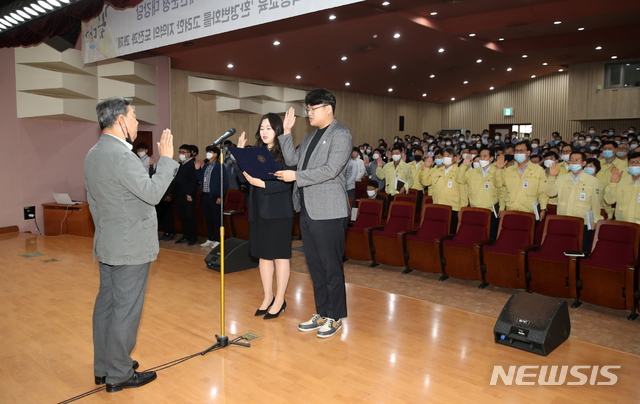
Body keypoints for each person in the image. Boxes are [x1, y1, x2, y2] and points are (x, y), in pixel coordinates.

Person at [84, 97, 178, 392]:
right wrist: (167, 160)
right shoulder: (123, 157)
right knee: (126, 309)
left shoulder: (93, 153)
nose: (138, 122)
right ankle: (120, 373)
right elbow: (152, 193)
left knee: (107, 306)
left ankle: (105, 365)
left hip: (109, 242)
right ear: (121, 120)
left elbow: (93, 202)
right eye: (135, 116)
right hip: (131, 246)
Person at [275, 89, 352, 338]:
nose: (308, 113)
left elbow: (330, 170)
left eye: (312, 109)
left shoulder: (341, 134)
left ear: (328, 108)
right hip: (308, 209)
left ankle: (336, 316)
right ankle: (323, 312)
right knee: (315, 266)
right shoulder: (310, 139)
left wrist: (296, 176)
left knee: (331, 266)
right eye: (307, 109)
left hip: (330, 210)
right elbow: (292, 159)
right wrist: (286, 132)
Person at [235, 113, 295, 320]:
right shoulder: (256, 152)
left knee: (279, 255)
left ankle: (280, 299)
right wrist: (240, 157)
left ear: (278, 130)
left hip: (279, 211)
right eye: (262, 128)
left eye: (269, 128)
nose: (264, 132)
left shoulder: (286, 153)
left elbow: (287, 182)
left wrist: (261, 183)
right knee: (263, 255)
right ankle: (267, 296)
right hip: (259, 209)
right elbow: (242, 180)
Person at [546, 151, 602, 252]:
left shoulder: (592, 181)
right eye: (571, 160)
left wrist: (596, 219)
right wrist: (552, 177)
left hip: (583, 221)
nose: (573, 162)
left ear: (583, 163)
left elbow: (596, 202)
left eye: (577, 160)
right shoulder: (562, 178)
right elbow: (550, 193)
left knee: (580, 250)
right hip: (564, 219)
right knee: (563, 248)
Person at [456, 147, 504, 239]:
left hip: (490, 210)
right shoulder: (473, 172)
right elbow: (460, 179)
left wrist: (501, 207)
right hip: (475, 208)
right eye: (480, 156)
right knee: (475, 237)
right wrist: (464, 166)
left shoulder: (498, 170)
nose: (481, 158)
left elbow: (501, 189)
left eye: (485, 156)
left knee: (488, 238)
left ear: (491, 159)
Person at [495, 140, 549, 221]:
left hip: (529, 211)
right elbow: (499, 185)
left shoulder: (538, 170)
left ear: (528, 153)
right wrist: (499, 169)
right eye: (516, 151)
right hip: (510, 209)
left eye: (521, 150)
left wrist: (543, 209)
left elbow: (543, 192)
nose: (518, 153)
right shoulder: (508, 170)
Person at [421, 147, 466, 233]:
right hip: (438, 205)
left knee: (450, 234)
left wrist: (461, 209)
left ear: (455, 158)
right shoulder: (437, 171)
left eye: (449, 155)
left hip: (453, 208)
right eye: (444, 155)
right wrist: (426, 168)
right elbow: (426, 182)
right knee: (437, 232)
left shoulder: (459, 171)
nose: (446, 157)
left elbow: (463, 192)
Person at [194, 145, 228, 248]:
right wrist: (198, 170)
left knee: (216, 218)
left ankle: (218, 240)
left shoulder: (220, 166)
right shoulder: (206, 166)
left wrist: (220, 196)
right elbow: (200, 179)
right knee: (208, 218)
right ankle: (210, 238)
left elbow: (224, 182)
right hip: (205, 195)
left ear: (216, 154)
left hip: (214, 196)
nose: (208, 154)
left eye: (210, 152)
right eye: (207, 151)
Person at [604, 153, 640, 224]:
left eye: (637, 162)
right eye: (631, 162)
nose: (633, 165)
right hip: (622, 224)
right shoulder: (621, 181)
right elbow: (609, 201)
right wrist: (613, 183)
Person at [174, 144, 199, 245]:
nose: (181, 154)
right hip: (179, 194)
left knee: (190, 217)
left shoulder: (192, 164)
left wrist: (189, 193)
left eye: (183, 152)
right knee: (182, 217)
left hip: (188, 195)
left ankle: (193, 237)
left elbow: (194, 180)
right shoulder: (179, 165)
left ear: (189, 154)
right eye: (180, 152)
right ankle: (186, 236)